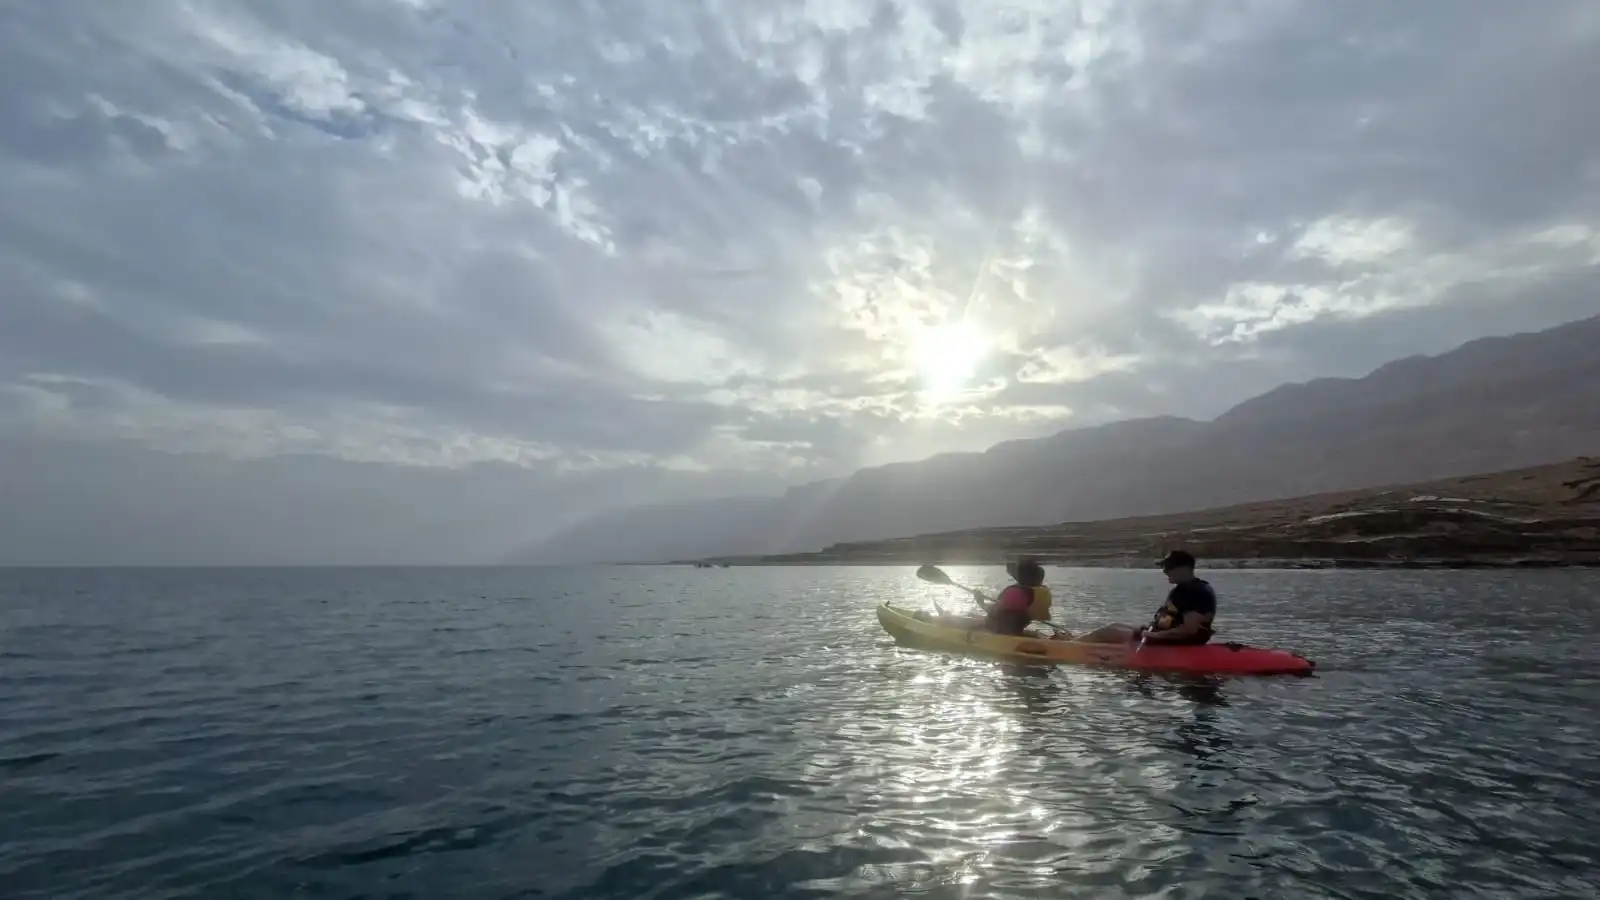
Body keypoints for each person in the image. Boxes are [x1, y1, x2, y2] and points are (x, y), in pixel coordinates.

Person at [1076, 550, 1216, 645]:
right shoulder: (1185, 589)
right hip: (1159, 634)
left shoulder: (1195, 592)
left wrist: (1156, 636)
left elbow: (1189, 630)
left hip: (1169, 641)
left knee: (1108, 633)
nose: (1164, 571)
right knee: (1114, 626)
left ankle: (1070, 646)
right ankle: (1074, 641)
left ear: (1183, 569)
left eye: (1168, 567)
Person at [974, 557, 1053, 635]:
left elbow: (993, 611)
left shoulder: (1014, 593)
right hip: (1018, 630)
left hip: (1000, 632)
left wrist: (981, 602)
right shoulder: (1042, 593)